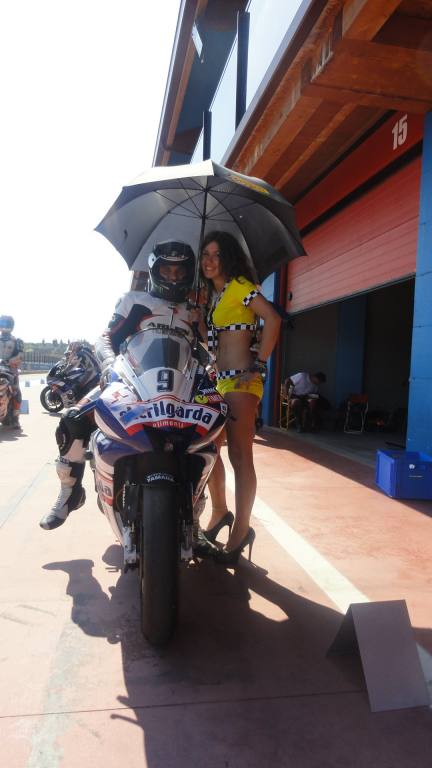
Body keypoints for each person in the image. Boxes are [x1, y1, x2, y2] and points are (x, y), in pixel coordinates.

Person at [39, 240, 216, 557]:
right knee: (71, 420)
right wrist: (109, 365)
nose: (173, 277)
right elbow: (106, 338)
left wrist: (200, 326)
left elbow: (208, 352)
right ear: (154, 271)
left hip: (183, 387)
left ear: (190, 273)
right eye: (167, 270)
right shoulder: (134, 300)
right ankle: (70, 492)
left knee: (206, 440)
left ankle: (196, 518)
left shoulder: (196, 310)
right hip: (131, 380)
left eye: (180, 271)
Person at [190, 231, 281, 565]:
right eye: (205, 254)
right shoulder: (216, 296)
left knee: (240, 456)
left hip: (242, 381)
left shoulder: (241, 286)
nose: (209, 261)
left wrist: (260, 364)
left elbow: (272, 318)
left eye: (216, 255)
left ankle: (241, 530)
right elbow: (217, 346)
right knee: (208, 450)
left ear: (227, 257)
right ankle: (219, 512)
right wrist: (201, 326)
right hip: (220, 381)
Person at [0, 315, 24, 428]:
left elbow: (20, 356)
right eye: (3, 324)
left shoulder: (17, 341)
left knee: (16, 391)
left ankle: (15, 419)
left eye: (8, 324)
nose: (6, 326)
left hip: (11, 369)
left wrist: (8, 362)